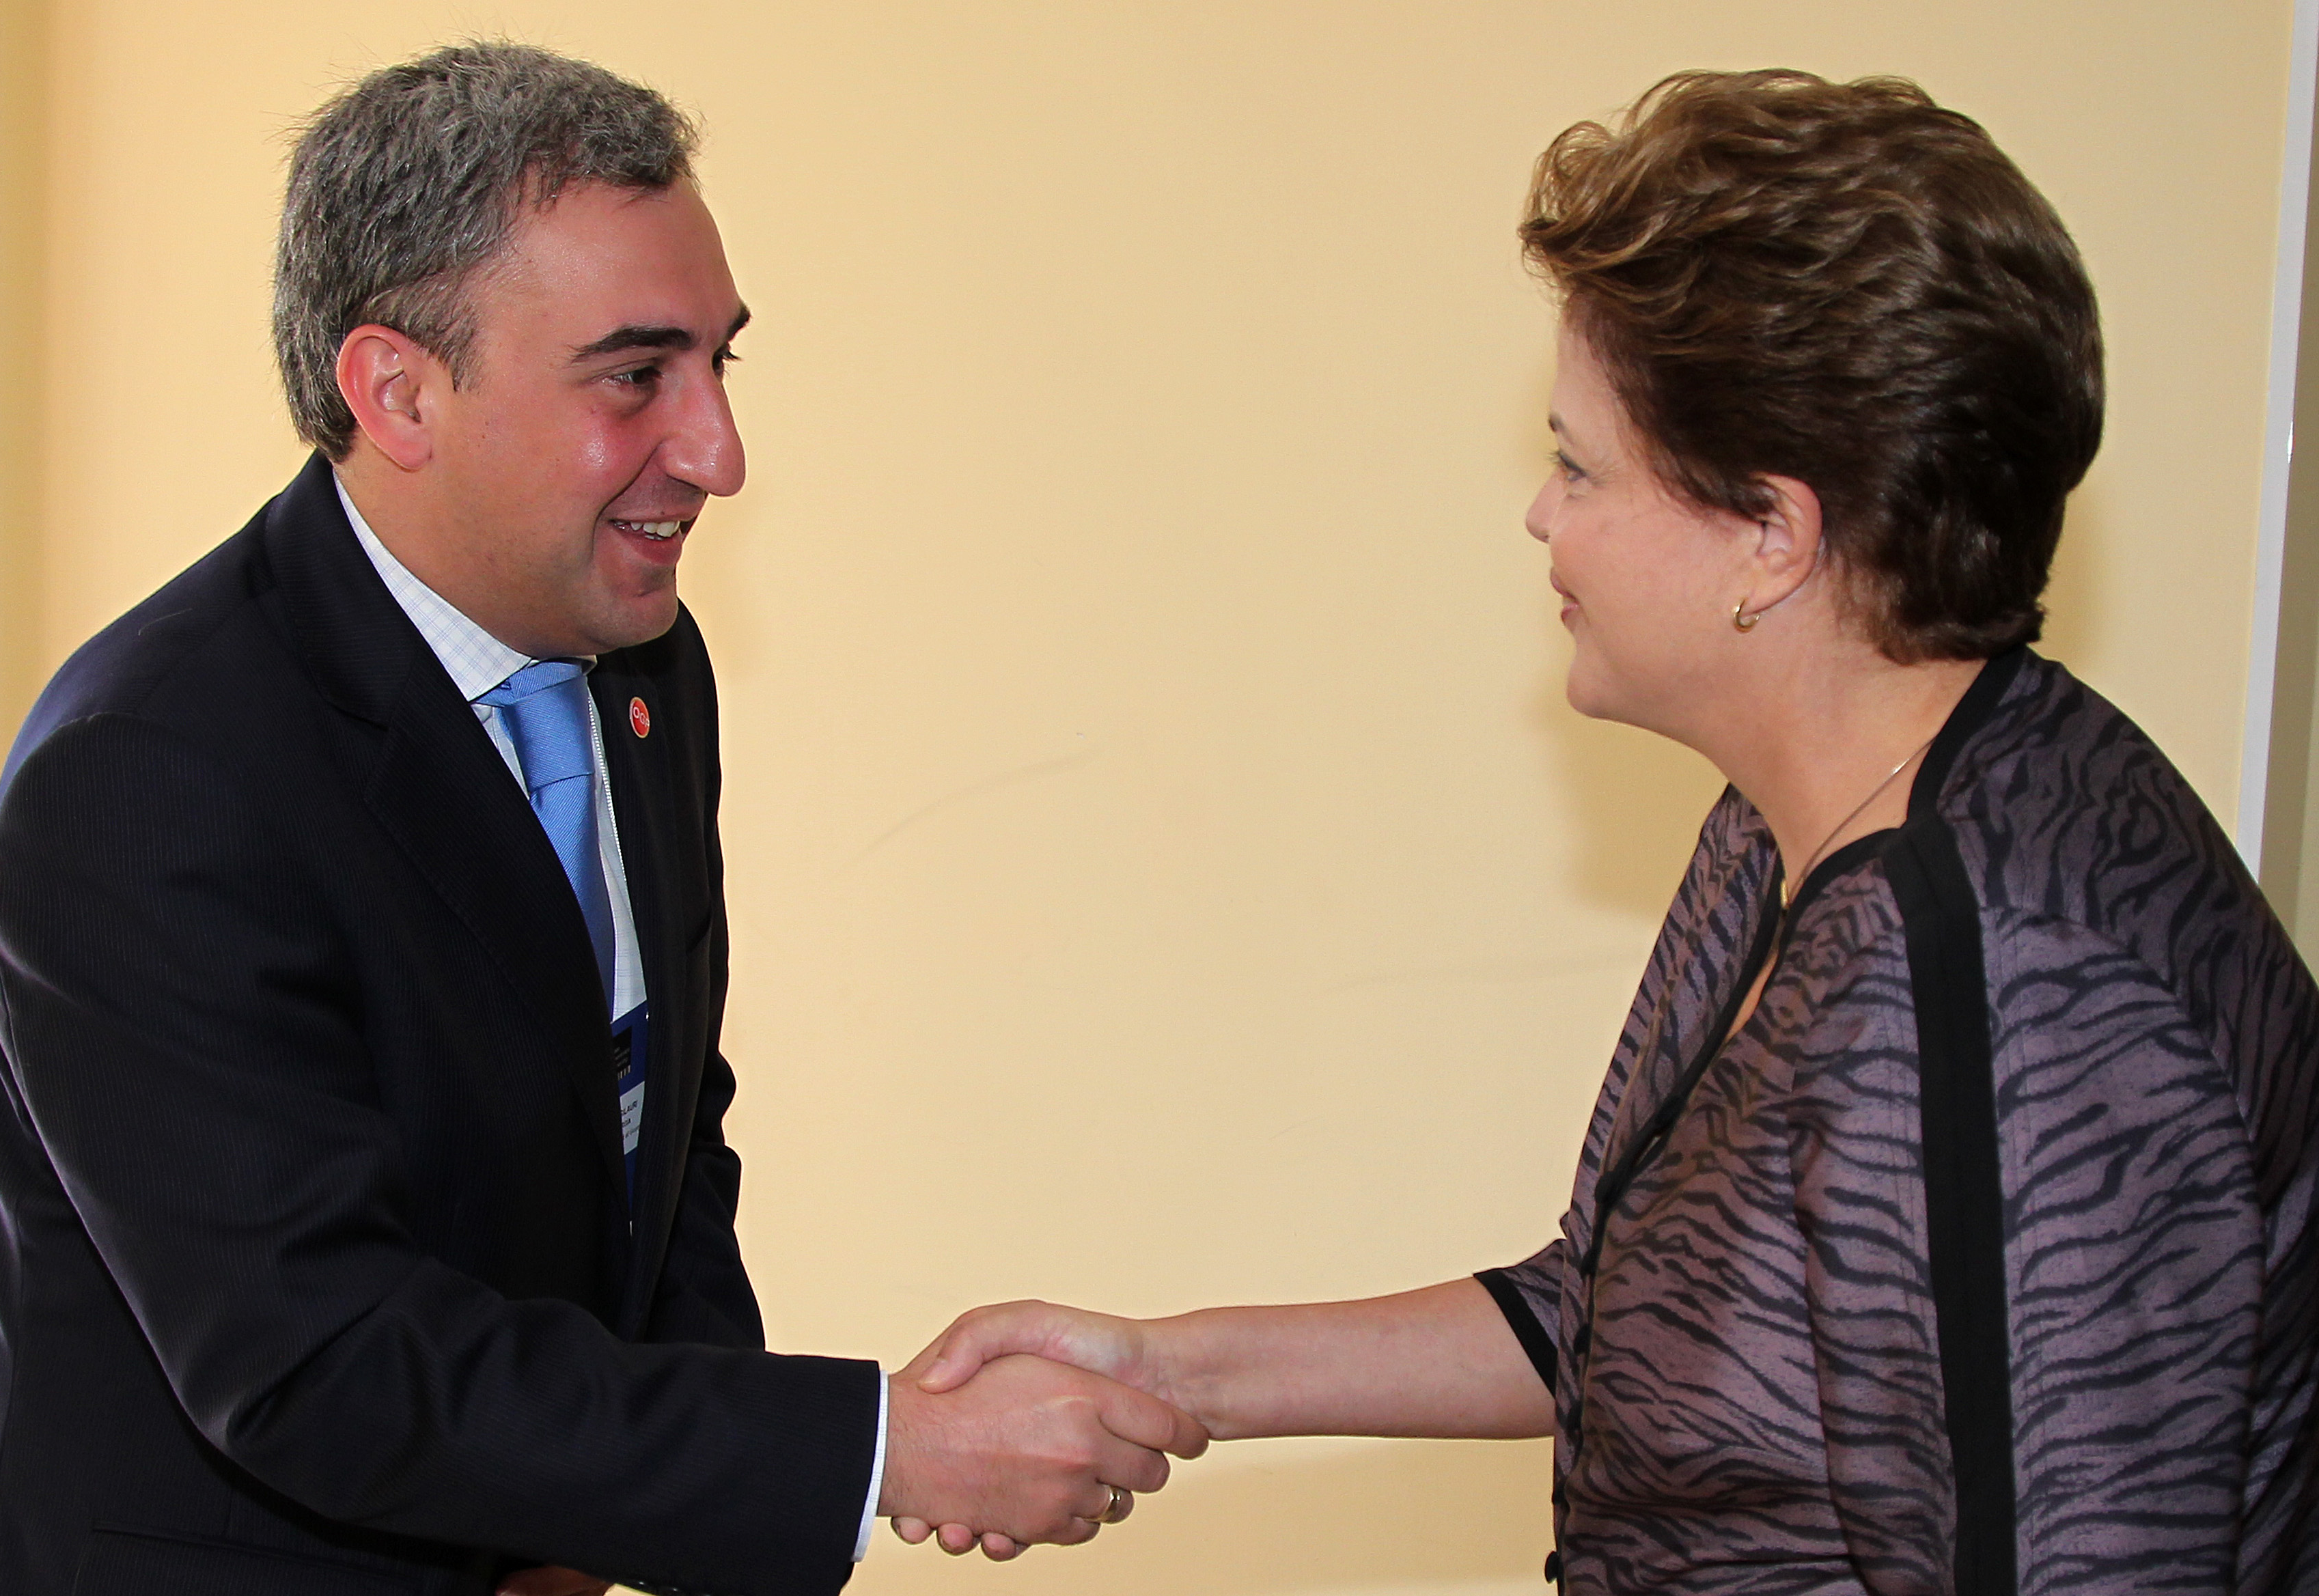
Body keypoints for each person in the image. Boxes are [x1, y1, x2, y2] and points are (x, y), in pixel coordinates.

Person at [899, 70, 2319, 1593]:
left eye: (1580, 464)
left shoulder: (2010, 981)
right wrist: (1169, 1370)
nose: (1538, 515)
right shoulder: (1806, 821)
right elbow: (1623, 1305)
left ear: (1769, 535)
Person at [0, 42, 1205, 1596]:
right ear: (398, 391)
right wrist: (877, 1449)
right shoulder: (147, 770)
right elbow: (319, 1362)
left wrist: (646, 1516)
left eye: (722, 363)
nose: (719, 453)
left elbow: (656, 1139)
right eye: (634, 377)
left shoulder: (642, 665)